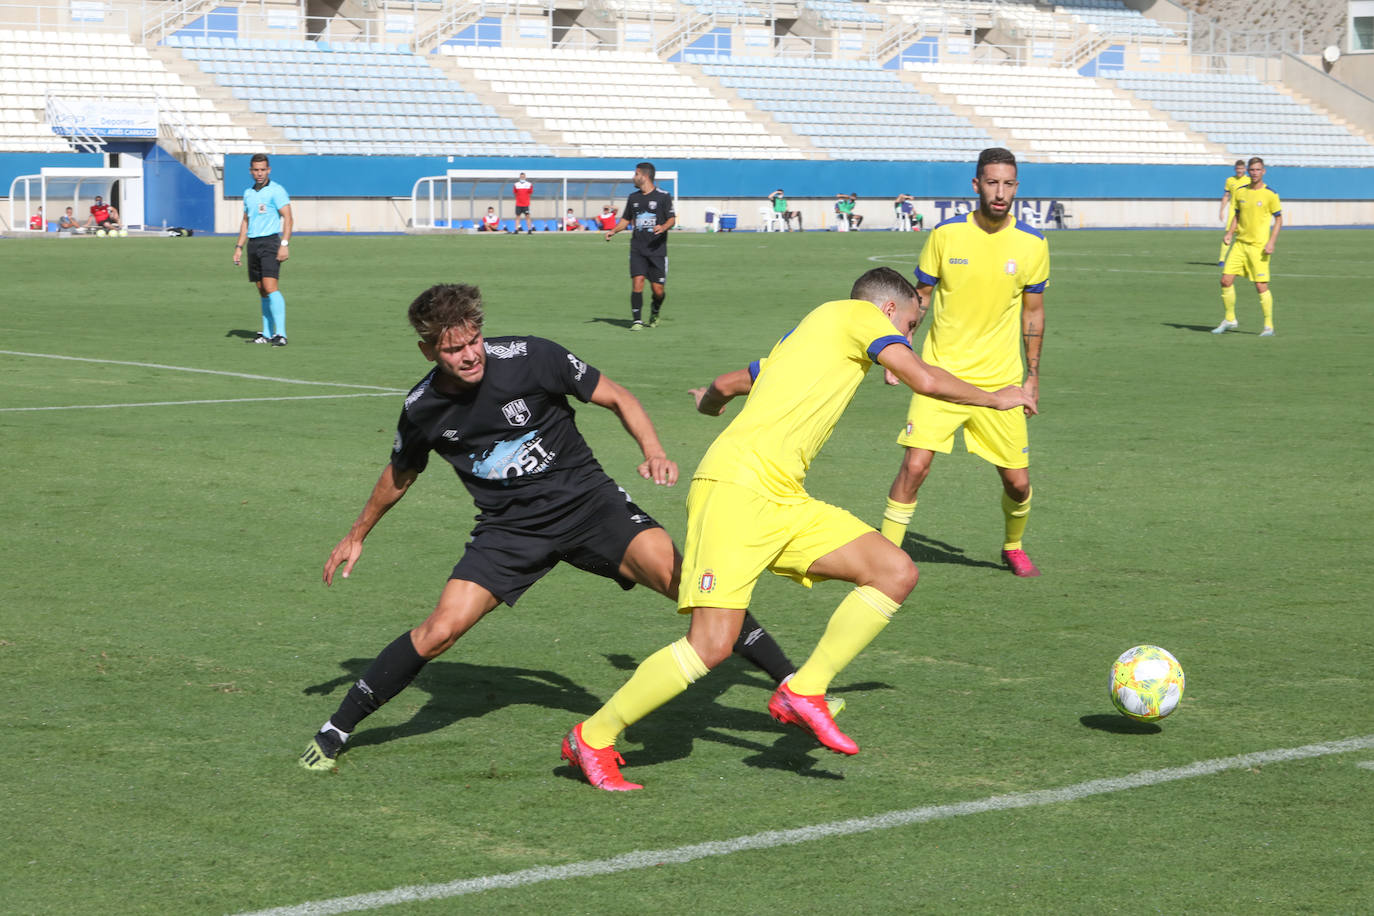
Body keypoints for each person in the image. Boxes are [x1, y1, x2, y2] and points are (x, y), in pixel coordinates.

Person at [300, 283, 818, 771]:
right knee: (439, 631)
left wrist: (654, 452)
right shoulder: (422, 408)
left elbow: (619, 397)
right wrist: (356, 534)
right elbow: (400, 474)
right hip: (510, 533)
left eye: (474, 339)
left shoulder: (531, 356)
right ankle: (335, 732)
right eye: (453, 348)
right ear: (427, 351)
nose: (470, 354)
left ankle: (793, 684)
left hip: (593, 509)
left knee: (693, 585)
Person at [560, 267, 1036, 791]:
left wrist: (710, 401)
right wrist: (997, 397)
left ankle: (804, 690)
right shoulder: (856, 315)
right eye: (910, 325)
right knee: (711, 646)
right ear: (886, 311)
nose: (908, 339)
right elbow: (922, 378)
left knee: (893, 570)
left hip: (783, 498)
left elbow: (731, 383)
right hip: (737, 491)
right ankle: (593, 737)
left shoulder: (807, 341)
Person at [879, 147, 1049, 579]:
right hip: (939, 375)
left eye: (1008, 184)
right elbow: (920, 298)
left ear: (1016, 187)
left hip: (1001, 382)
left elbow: (1033, 312)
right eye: (992, 182)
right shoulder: (945, 235)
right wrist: (897, 351)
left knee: (1018, 483)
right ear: (976, 185)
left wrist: (1032, 377)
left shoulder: (1032, 243)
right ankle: (883, 556)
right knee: (914, 466)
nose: (1000, 192)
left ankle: (1013, 546)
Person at [1214, 157, 1281, 337]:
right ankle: (1230, 319)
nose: (1254, 173)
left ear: (1263, 171)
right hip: (1240, 244)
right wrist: (1229, 233)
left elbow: (1279, 220)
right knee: (1225, 280)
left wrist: (1271, 242)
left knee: (1261, 286)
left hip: (1258, 248)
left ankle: (1268, 326)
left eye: (1258, 170)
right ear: (1248, 171)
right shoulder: (1241, 192)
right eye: (1252, 170)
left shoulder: (1270, 194)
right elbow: (1237, 215)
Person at [605, 162, 675, 331]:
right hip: (637, 248)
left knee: (658, 291)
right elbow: (626, 220)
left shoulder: (663, 196)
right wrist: (614, 231)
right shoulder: (633, 198)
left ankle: (655, 310)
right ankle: (636, 320)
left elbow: (672, 219)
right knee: (638, 282)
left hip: (657, 250)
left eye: (635, 174)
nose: (633, 177)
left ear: (644, 176)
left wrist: (663, 227)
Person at [232, 153, 292, 347]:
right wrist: (239, 247)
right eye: (256, 170)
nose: (259, 173)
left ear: (269, 170)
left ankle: (281, 334)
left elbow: (289, 218)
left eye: (262, 169)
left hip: (270, 243)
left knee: (270, 287)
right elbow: (245, 221)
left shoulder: (277, 191)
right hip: (254, 244)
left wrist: (284, 244)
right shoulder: (248, 193)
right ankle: (266, 333)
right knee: (261, 290)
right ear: (251, 171)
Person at [1217, 159, 1248, 267]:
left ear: (1245, 169)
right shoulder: (1230, 180)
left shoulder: (1249, 180)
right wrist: (1221, 210)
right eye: (1238, 169)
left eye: (1241, 169)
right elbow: (1226, 196)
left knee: (1245, 236)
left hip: (1246, 213)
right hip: (1233, 212)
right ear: (1235, 169)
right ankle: (1221, 260)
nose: (1239, 171)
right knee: (1228, 235)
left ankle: (1244, 260)